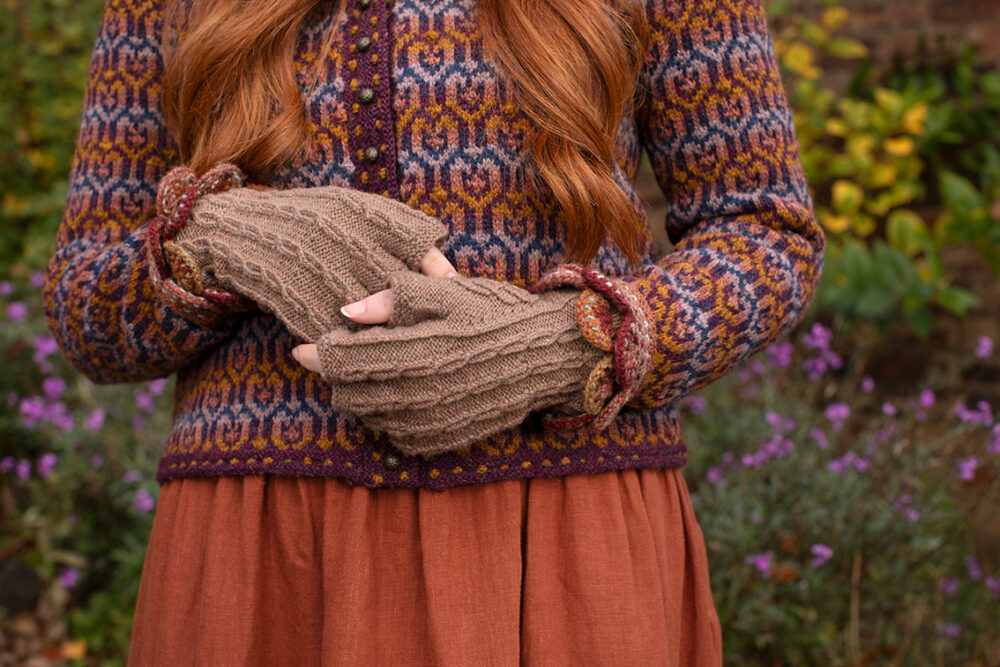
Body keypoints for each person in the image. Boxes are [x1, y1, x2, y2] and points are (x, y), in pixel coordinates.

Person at [42, 0, 824, 662]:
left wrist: (573, 344)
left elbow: (767, 230)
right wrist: (220, 236)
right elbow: (84, 303)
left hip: (559, 535)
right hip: (262, 559)